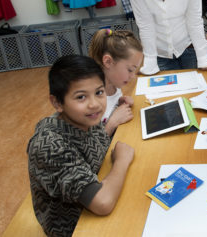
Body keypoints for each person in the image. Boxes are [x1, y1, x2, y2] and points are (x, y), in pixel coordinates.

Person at [27, 55, 134, 237]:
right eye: (81, 97)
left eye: (99, 92)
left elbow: (97, 144)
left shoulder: (83, 120)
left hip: (94, 190)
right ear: (57, 103)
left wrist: (113, 119)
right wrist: (122, 161)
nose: (94, 104)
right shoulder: (51, 146)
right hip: (73, 226)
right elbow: (103, 203)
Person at [88, 28, 143, 134]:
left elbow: (109, 109)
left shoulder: (115, 86)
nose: (133, 76)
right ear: (108, 62)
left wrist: (119, 104)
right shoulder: (90, 100)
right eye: (130, 70)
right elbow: (90, 147)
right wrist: (112, 122)